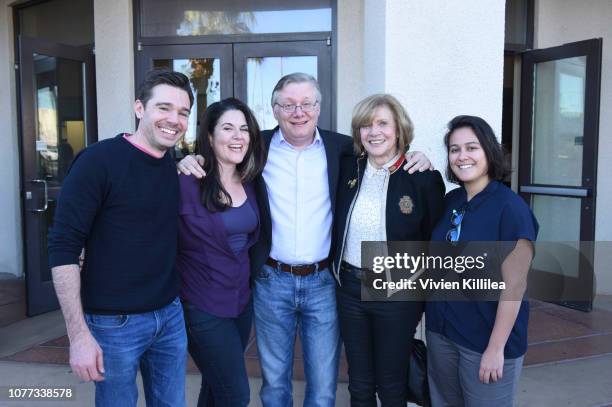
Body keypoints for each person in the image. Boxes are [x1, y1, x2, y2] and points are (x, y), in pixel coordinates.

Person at [177, 72, 433, 407]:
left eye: (307, 103)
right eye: (288, 104)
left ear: (318, 107)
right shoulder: (256, 148)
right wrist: (191, 159)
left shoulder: (343, 149)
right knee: (275, 384)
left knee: (324, 385)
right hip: (271, 280)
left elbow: (384, 150)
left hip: (324, 282)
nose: (299, 112)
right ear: (275, 109)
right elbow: (220, 163)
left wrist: (417, 156)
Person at [48, 69, 193, 407]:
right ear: (140, 108)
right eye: (164, 108)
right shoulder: (97, 162)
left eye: (183, 112)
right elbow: (62, 247)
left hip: (169, 315)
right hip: (114, 324)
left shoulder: (172, 166)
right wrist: (78, 335)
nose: (174, 120)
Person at [331, 94, 445, 406]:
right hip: (350, 288)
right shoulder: (347, 168)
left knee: (392, 383)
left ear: (399, 130)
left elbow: (433, 246)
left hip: (397, 293)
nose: (374, 132)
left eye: (382, 123)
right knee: (359, 382)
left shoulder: (423, 179)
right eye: (365, 126)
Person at [425, 115, 538, 406]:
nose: (462, 156)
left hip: (485, 339)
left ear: (489, 151)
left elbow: (514, 287)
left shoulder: (511, 210)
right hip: (443, 333)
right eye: (454, 149)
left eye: (471, 148)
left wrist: (495, 348)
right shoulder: (452, 202)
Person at [177, 98, 265, 406]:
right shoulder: (186, 182)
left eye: (244, 129)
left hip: (240, 302)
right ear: (210, 137)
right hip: (202, 305)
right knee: (236, 394)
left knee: (216, 387)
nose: (237, 136)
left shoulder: (252, 181)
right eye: (227, 128)